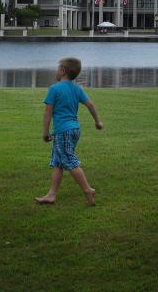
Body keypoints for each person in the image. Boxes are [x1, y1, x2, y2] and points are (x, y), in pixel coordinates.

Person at [36, 57, 104, 206]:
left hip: (63, 131)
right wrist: (97, 121)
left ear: (63, 71)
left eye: (58, 68)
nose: (56, 70)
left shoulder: (54, 89)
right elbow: (90, 104)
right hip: (74, 129)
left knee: (69, 161)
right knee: (58, 162)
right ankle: (51, 195)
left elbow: (48, 113)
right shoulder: (77, 89)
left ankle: (88, 190)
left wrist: (45, 132)